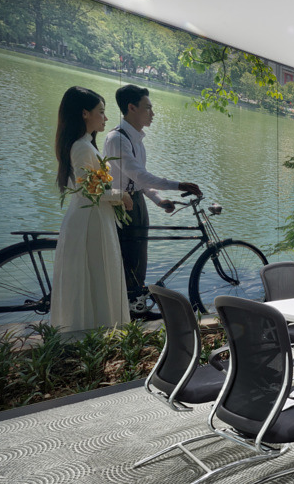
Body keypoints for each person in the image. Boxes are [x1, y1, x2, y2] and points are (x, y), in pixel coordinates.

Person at [103, 84, 202, 318]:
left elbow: (138, 181)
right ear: (131, 108)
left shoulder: (136, 139)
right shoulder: (118, 138)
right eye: (148, 108)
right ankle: (129, 309)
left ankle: (135, 306)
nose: (152, 113)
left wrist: (158, 200)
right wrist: (178, 185)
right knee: (128, 258)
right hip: (121, 204)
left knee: (139, 257)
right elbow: (139, 176)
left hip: (136, 201)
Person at [50, 86, 132, 333]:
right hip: (90, 222)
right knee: (96, 276)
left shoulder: (81, 144)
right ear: (85, 114)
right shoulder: (83, 147)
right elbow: (89, 190)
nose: (106, 118)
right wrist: (121, 195)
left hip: (90, 218)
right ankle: (92, 332)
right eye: (101, 112)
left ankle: (91, 332)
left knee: (92, 277)